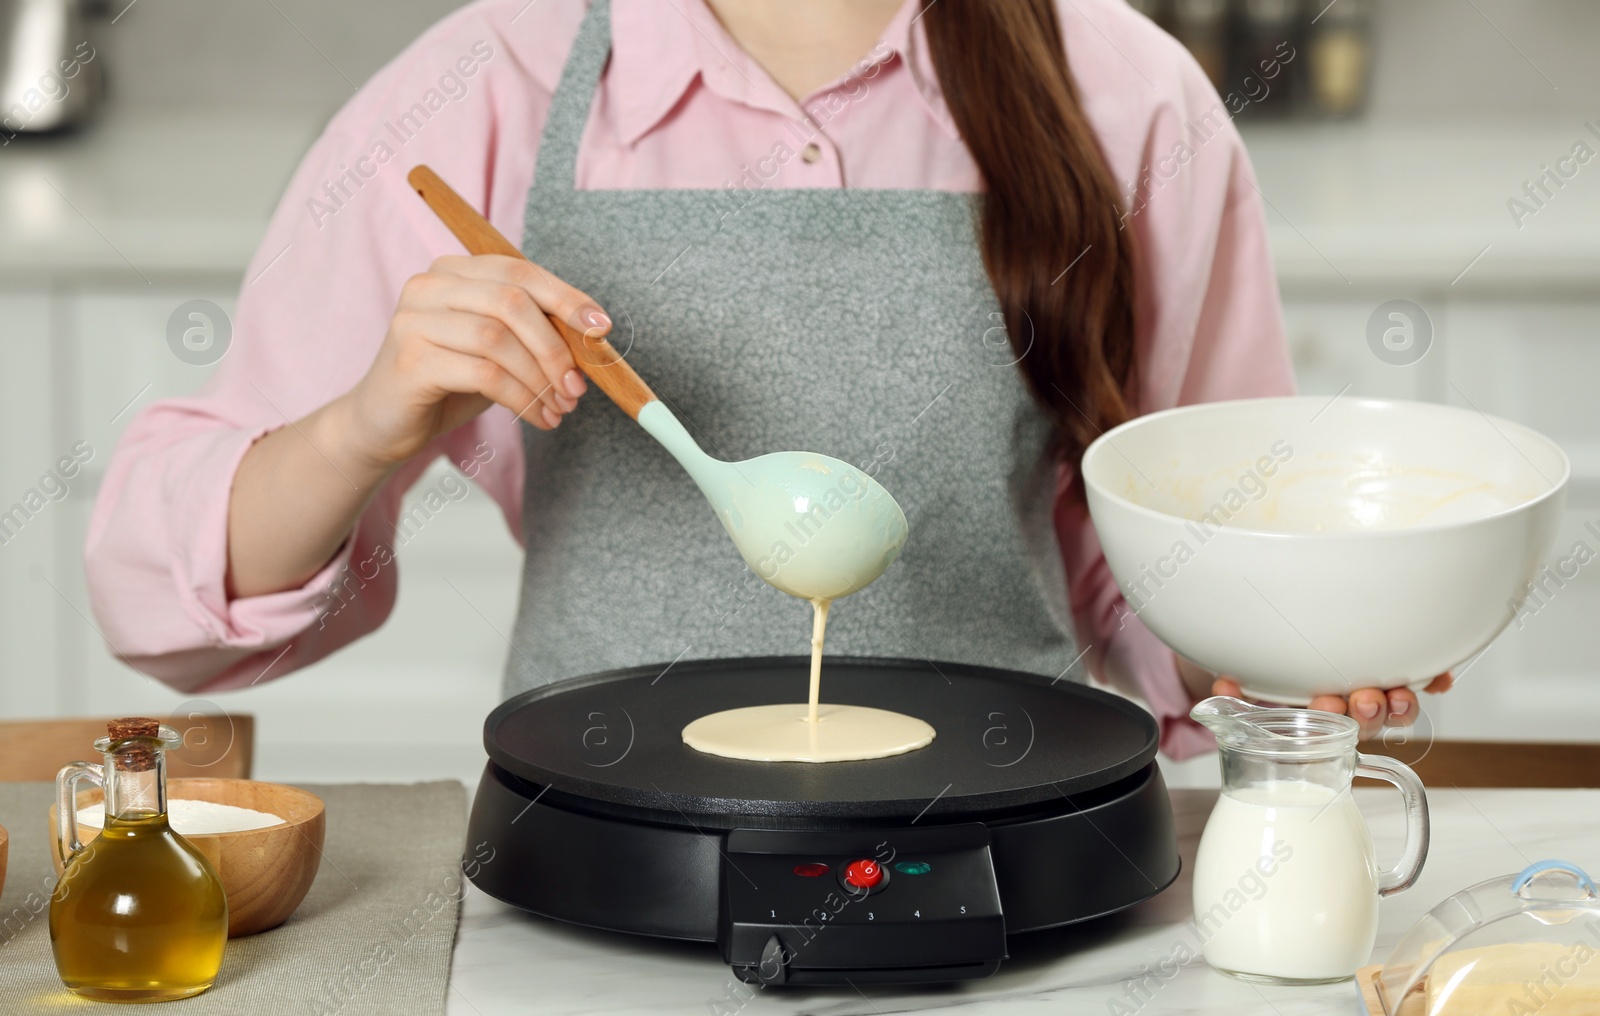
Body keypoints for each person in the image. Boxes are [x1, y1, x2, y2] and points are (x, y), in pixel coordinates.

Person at [85, 0, 1447, 760]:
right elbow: (159, 604)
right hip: (591, 868)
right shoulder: (482, 82)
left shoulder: (1129, 97)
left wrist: (1303, 647)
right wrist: (361, 426)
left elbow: (1189, 564)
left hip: (1015, 872)